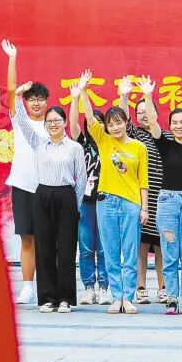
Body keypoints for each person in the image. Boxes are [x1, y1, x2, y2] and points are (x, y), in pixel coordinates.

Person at [11, 83, 87, 313]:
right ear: (45, 125)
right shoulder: (38, 143)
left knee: (66, 249)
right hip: (42, 195)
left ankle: (65, 299)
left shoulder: (74, 148)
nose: (53, 124)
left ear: (64, 123)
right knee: (44, 247)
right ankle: (46, 298)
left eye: (57, 120)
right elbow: (22, 121)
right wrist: (18, 97)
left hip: (66, 196)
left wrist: (75, 205)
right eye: (50, 121)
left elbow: (81, 179)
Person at [78, 70, 149, 314]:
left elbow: (143, 181)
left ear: (126, 123)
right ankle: (116, 297)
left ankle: (128, 298)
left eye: (119, 122)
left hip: (131, 203)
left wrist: (144, 208)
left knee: (129, 252)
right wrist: (84, 90)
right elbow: (89, 118)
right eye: (111, 124)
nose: (115, 126)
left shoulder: (138, 147)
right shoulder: (104, 141)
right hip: (105, 202)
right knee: (110, 252)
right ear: (106, 127)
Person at [138, 77, 182, 315]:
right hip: (167, 203)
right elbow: (152, 122)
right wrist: (148, 95)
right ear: (170, 126)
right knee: (169, 252)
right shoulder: (165, 144)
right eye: (174, 123)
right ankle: (171, 299)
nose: (179, 126)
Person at [1, 39, 46, 304]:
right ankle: (28, 286)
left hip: (48, 189)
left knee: (47, 240)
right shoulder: (20, 122)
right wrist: (12, 57)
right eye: (32, 100)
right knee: (27, 239)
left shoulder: (54, 125)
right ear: (26, 103)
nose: (36, 103)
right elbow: (10, 91)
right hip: (22, 186)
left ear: (47, 102)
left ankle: (47, 287)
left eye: (40, 99)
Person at [119, 78, 165, 305]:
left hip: (162, 197)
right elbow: (122, 118)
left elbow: (155, 127)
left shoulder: (164, 134)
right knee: (141, 244)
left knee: (161, 245)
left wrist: (147, 95)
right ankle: (140, 287)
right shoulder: (134, 135)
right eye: (140, 113)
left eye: (148, 110)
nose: (144, 115)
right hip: (140, 196)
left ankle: (164, 287)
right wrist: (124, 95)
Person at [68, 83, 108, 305]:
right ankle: (89, 287)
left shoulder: (109, 144)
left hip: (105, 200)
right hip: (84, 201)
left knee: (103, 247)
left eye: (101, 122)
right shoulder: (81, 144)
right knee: (85, 247)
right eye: (93, 121)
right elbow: (73, 123)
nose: (96, 125)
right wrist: (75, 98)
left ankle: (104, 287)